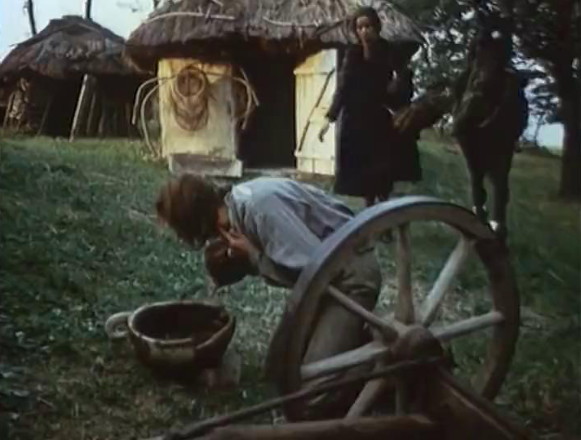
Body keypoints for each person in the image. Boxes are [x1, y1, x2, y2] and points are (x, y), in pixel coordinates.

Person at [156, 174, 381, 419]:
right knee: (276, 371)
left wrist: (254, 257)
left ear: (197, 223)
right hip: (322, 284)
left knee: (312, 397)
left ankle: (379, 361)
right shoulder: (236, 205)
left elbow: (315, 273)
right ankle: (348, 340)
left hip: (349, 278)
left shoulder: (260, 209)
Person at [318, 6, 421, 208]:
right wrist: (329, 118)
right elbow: (344, 87)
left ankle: (385, 210)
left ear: (376, 27)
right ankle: (370, 211)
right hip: (357, 120)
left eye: (368, 26)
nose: (364, 31)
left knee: (383, 170)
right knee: (364, 173)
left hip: (381, 118)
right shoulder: (353, 54)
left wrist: (398, 84)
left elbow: (404, 76)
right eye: (360, 28)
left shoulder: (389, 51)